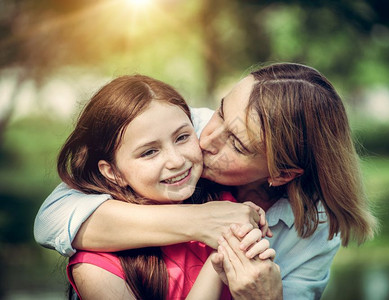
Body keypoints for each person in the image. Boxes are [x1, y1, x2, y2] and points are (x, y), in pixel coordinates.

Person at [35, 63, 378, 299]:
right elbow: (52, 219)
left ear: (282, 174)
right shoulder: (185, 130)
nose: (207, 140)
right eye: (221, 110)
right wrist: (202, 221)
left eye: (238, 145)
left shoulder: (314, 229)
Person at [52, 74, 275, 300]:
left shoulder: (225, 202)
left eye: (182, 137)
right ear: (113, 172)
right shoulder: (96, 266)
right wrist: (218, 260)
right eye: (149, 152)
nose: (176, 161)